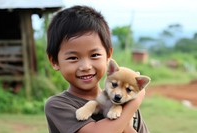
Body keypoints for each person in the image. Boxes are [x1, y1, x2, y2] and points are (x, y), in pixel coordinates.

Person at [45, 5, 149, 133]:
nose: (86, 67)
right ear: (55, 61)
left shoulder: (127, 103)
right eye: (73, 58)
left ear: (108, 56)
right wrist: (135, 101)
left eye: (94, 55)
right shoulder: (58, 105)